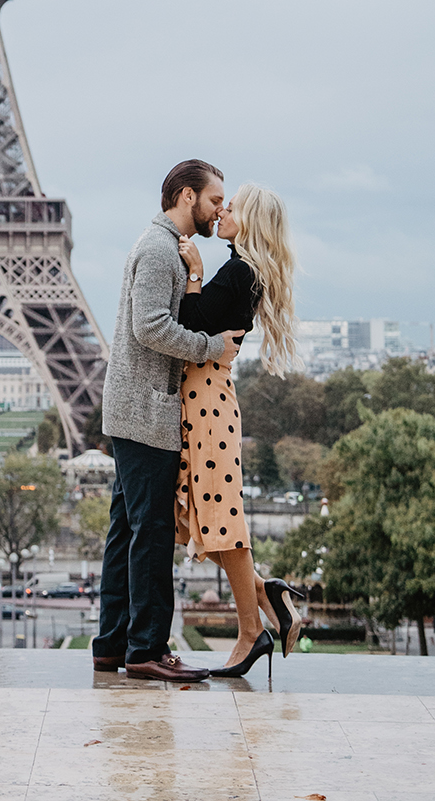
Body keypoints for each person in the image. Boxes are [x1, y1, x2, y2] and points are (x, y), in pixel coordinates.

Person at [92, 159, 234, 682]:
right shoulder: (157, 250)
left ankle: (112, 644)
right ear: (186, 196)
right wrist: (210, 347)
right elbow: (149, 326)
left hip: (135, 408)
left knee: (127, 532)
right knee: (149, 533)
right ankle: (146, 649)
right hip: (147, 410)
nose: (221, 209)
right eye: (215, 199)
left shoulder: (161, 247)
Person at [176, 182, 304, 678]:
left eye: (234, 207)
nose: (223, 211)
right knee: (210, 517)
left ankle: (251, 632)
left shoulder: (237, 272)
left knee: (220, 519)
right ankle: (267, 595)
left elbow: (190, 323)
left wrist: (194, 274)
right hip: (207, 400)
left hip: (207, 402)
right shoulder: (244, 271)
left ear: (249, 221)